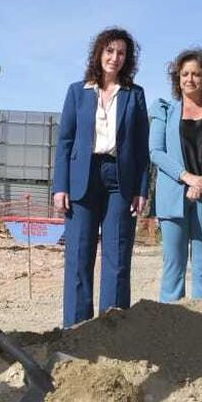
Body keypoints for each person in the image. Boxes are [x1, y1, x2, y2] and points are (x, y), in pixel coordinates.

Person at [52, 28, 149, 327]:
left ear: (127, 59)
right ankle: (76, 331)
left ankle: (114, 329)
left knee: (117, 258)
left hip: (120, 180)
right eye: (109, 51)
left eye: (121, 53)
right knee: (79, 257)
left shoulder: (135, 94)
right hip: (82, 178)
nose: (114, 58)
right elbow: (65, 142)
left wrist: (142, 189)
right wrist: (60, 186)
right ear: (98, 53)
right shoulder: (76, 91)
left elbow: (142, 147)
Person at [149, 47, 202, 302]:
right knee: (172, 269)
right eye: (184, 73)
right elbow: (155, 151)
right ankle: (170, 330)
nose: (189, 79)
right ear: (177, 77)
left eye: (196, 74)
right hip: (173, 198)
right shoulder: (164, 110)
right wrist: (188, 178)